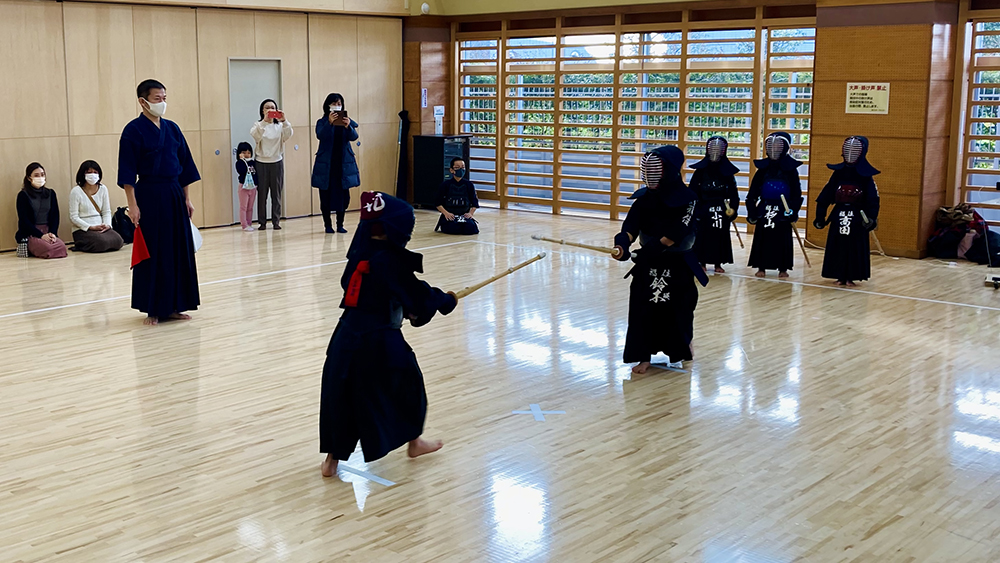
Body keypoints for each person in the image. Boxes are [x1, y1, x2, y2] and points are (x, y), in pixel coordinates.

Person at [320, 191, 457, 477]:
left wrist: (404, 305)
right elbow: (417, 296)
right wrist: (445, 300)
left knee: (341, 396)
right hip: (379, 340)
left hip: (345, 336)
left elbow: (374, 290)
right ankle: (415, 442)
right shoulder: (389, 260)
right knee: (409, 385)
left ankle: (332, 461)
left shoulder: (361, 253)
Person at [612, 146, 709, 375]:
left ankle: (679, 351)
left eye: (656, 170)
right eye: (648, 170)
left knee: (679, 310)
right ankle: (643, 356)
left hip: (678, 263)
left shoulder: (689, 199)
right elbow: (631, 225)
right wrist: (622, 244)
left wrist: (654, 248)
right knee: (642, 310)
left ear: (670, 171)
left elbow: (679, 230)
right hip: (648, 264)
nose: (651, 175)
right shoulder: (644, 198)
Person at [118, 79, 201, 326]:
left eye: (164, 98)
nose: (162, 102)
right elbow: (127, 173)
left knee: (177, 250)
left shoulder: (172, 129)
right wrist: (133, 205)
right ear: (143, 101)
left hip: (174, 194)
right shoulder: (133, 130)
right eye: (157, 98)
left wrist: (187, 199)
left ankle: (175, 306)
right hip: (149, 195)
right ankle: (153, 308)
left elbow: (185, 167)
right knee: (153, 251)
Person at [813, 136, 881, 286]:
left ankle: (851, 276)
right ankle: (839, 275)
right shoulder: (838, 173)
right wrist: (820, 217)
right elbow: (825, 196)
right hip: (839, 214)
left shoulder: (866, 176)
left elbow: (873, 199)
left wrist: (872, 218)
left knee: (854, 246)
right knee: (838, 245)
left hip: (857, 216)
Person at [746, 131, 803, 279]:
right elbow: (753, 192)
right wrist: (752, 211)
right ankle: (761, 267)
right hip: (765, 207)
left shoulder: (791, 171)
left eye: (778, 146)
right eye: (771, 146)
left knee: (782, 239)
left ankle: (783, 268)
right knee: (763, 238)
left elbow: (796, 194)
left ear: (784, 148)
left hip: (783, 209)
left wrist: (793, 211)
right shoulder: (763, 170)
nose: (774, 149)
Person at [312, 93, 360, 234]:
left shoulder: (346, 121)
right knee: (325, 196)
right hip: (327, 164)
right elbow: (321, 135)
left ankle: (340, 225)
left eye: (339, 104)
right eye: (334, 104)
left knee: (343, 197)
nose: (337, 106)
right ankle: (328, 225)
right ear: (328, 106)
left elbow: (354, 137)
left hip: (343, 164)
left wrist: (348, 126)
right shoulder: (322, 122)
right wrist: (329, 123)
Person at [690, 136, 740, 273]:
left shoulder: (727, 172)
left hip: (721, 208)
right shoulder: (701, 170)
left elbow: (734, 193)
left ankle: (718, 263)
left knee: (720, 236)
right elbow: (692, 191)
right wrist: (694, 210)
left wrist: (733, 210)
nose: (715, 153)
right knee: (702, 236)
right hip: (704, 207)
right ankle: (702, 262)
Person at [250, 98, 293, 231]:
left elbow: (288, 135)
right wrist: (265, 121)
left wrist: (284, 121)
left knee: (276, 194)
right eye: (267, 107)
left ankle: (276, 221)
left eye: (272, 107)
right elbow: (255, 136)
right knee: (262, 194)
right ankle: (262, 222)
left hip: (276, 162)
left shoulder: (280, 126)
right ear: (262, 111)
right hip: (261, 163)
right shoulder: (258, 125)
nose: (270, 110)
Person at [68, 160, 124, 253]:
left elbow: (106, 211)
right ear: (83, 174)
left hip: (100, 227)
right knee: (102, 243)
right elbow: (74, 217)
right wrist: (90, 227)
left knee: (118, 241)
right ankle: (81, 244)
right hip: (83, 229)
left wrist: (107, 225)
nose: (92, 175)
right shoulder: (76, 191)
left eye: (95, 172)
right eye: (89, 172)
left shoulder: (103, 189)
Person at [15, 163, 68, 259]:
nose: (40, 177)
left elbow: (55, 216)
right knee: (48, 248)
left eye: (42, 175)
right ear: (29, 178)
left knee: (62, 247)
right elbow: (24, 220)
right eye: (36, 175)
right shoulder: (23, 195)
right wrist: (41, 235)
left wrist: (52, 233)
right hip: (32, 232)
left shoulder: (51, 193)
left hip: (48, 230)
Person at [435, 157, 480, 235]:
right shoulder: (445, 185)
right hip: (450, 215)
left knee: (471, 229)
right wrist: (446, 213)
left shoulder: (469, 185)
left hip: (464, 215)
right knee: (452, 228)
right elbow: (438, 203)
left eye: (462, 167)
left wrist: (470, 214)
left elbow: (474, 203)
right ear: (451, 170)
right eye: (457, 167)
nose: (461, 169)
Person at [235, 142, 258, 232]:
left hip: (253, 187)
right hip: (243, 188)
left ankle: (249, 223)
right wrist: (242, 160)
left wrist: (257, 185)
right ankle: (244, 225)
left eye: (248, 152)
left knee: (250, 207)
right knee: (243, 207)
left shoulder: (253, 163)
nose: (247, 155)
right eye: (244, 153)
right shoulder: (239, 163)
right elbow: (242, 171)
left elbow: (256, 174)